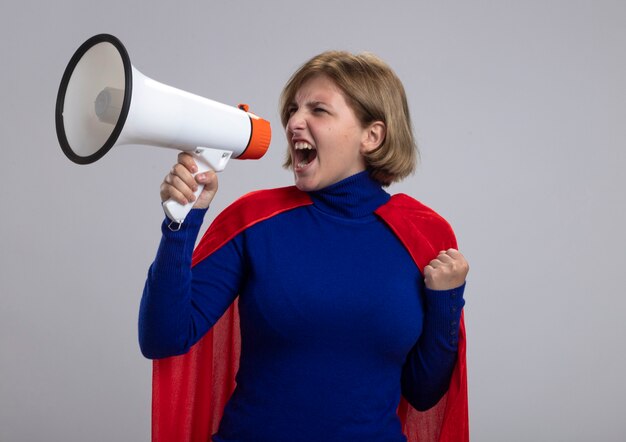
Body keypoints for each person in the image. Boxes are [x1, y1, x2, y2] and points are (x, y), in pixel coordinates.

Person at [139, 50, 469, 442]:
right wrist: (180, 223)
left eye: (319, 110)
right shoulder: (255, 219)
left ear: (372, 135)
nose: (294, 122)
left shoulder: (425, 234)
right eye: (293, 109)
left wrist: (447, 302)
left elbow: (423, 392)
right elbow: (162, 337)